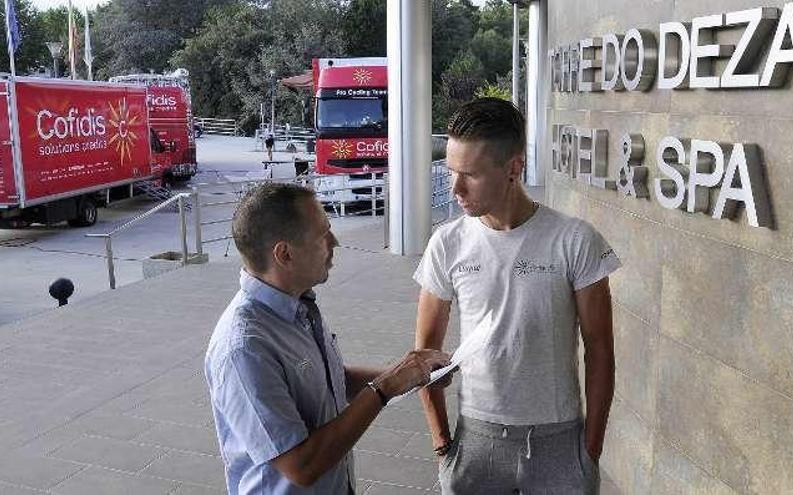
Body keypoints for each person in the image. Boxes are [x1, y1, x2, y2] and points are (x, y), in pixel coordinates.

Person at [414, 98, 621, 494]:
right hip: (475, 439)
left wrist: (590, 451)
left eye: (469, 175)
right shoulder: (447, 243)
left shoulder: (574, 241)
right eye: (451, 171)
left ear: (513, 168)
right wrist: (443, 445)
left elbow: (600, 351)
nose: (454, 188)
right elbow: (424, 351)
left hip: (559, 442)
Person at [205, 183, 450, 494]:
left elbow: (334, 380)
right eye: (323, 234)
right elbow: (302, 466)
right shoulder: (244, 348)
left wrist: (415, 376)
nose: (334, 241)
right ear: (285, 254)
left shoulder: (297, 304)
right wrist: (386, 387)